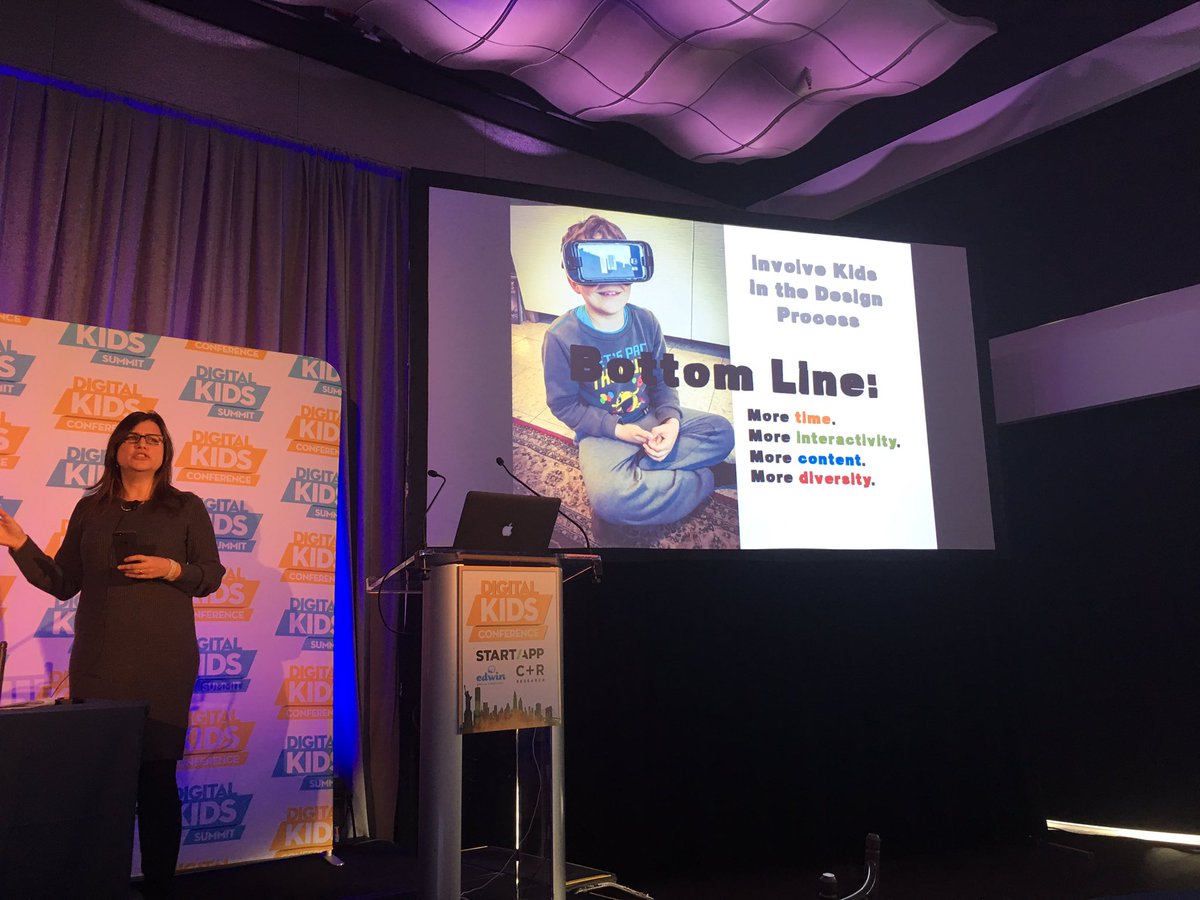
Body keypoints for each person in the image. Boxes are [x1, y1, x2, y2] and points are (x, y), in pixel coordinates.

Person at [0, 410, 225, 899]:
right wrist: (20, 544)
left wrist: (171, 568)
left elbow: (211, 575)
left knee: (157, 780)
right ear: (116, 448)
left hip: (164, 664)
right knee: (98, 780)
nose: (143, 445)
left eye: (154, 439)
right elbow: (64, 582)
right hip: (99, 665)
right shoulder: (91, 509)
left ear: (164, 451)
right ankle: (98, 884)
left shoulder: (185, 507)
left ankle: (160, 889)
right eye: (133, 437)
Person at [542, 214, 736, 527]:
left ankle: (643, 468)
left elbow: (663, 380)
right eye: (594, 267)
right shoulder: (560, 337)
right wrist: (618, 430)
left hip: (649, 416)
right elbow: (564, 405)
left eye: (618, 265)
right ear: (574, 281)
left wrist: (671, 422)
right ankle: (704, 476)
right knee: (612, 500)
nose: (609, 282)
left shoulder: (646, 321)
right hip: (603, 432)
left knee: (722, 431)